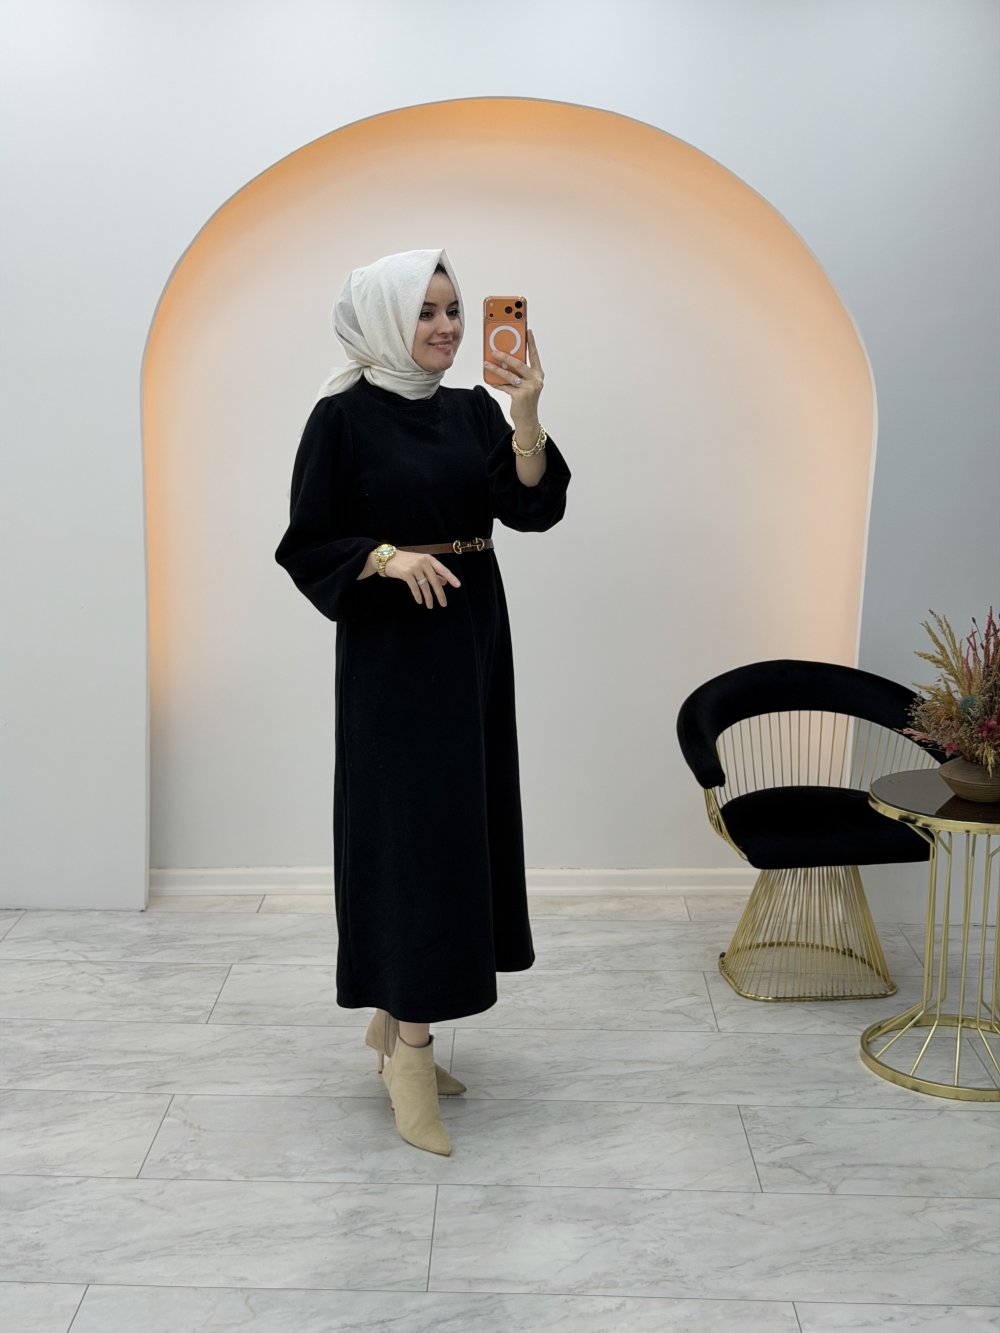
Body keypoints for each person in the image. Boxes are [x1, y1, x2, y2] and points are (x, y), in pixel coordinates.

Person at [275, 249, 571, 1156]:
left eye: (453, 310)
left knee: (458, 831)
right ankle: (409, 1051)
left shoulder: (473, 408)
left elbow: (530, 510)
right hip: (394, 655)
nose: (447, 327)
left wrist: (526, 415)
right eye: (426, 312)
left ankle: (395, 1018)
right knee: (410, 841)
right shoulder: (342, 416)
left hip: (472, 639)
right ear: (383, 320)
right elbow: (305, 542)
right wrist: (384, 557)